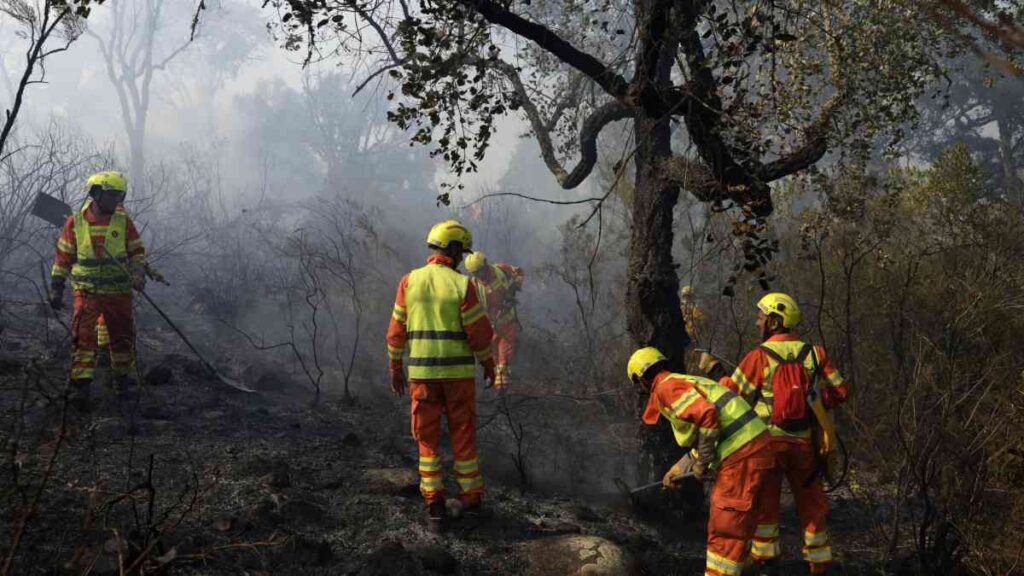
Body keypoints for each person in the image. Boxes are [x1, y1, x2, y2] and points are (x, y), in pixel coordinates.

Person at [700, 293, 849, 575]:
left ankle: (766, 562)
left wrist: (714, 370)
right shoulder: (815, 354)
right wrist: (816, 401)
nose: (757, 322)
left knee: (766, 504)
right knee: (813, 504)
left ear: (774, 321)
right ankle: (818, 564)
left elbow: (733, 395)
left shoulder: (759, 356)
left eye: (760, 317)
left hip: (767, 446)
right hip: (804, 445)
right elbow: (841, 391)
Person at [386, 219, 496, 532]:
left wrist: (395, 367)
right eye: (462, 251)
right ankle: (471, 503)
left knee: (427, 439)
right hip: (458, 377)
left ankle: (434, 506)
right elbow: (479, 334)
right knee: (462, 435)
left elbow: (395, 332)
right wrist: (488, 364)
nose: (463, 258)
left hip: (421, 377)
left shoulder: (409, 282)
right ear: (454, 248)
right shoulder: (463, 285)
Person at [628, 347, 774, 576]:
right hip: (755, 446)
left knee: (725, 527)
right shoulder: (680, 381)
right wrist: (680, 467)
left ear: (640, 379)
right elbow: (709, 431)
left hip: (741, 453)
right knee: (745, 519)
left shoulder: (666, 388)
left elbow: (707, 416)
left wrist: (703, 462)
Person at [49, 171, 147, 411]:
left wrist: (138, 274)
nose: (117, 201)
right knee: (82, 337)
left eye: (120, 196)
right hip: (87, 291)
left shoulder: (123, 221)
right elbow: (63, 256)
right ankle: (80, 388)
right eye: (113, 195)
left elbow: (136, 252)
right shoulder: (76, 222)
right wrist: (57, 287)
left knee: (122, 336)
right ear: (96, 194)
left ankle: (121, 382)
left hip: (117, 292)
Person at [464, 252, 523, 388]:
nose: (481, 275)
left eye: (482, 271)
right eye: (476, 273)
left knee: (505, 356)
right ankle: (499, 388)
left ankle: (503, 390)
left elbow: (519, 272)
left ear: (486, 264)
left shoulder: (501, 270)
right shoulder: (473, 285)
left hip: (508, 322)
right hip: (491, 327)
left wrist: (515, 287)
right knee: (494, 359)